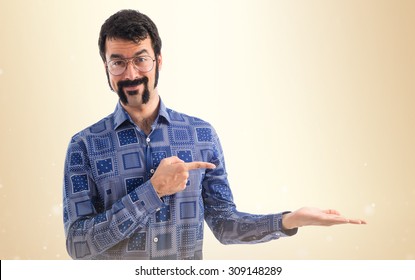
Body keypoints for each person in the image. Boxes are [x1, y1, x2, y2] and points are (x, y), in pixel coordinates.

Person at [62, 9, 366, 260]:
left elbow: (224, 224)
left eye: (141, 59)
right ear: (106, 66)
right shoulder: (84, 146)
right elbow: (77, 244)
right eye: (118, 62)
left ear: (159, 61)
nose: (130, 74)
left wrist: (288, 221)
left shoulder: (201, 135)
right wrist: (152, 192)